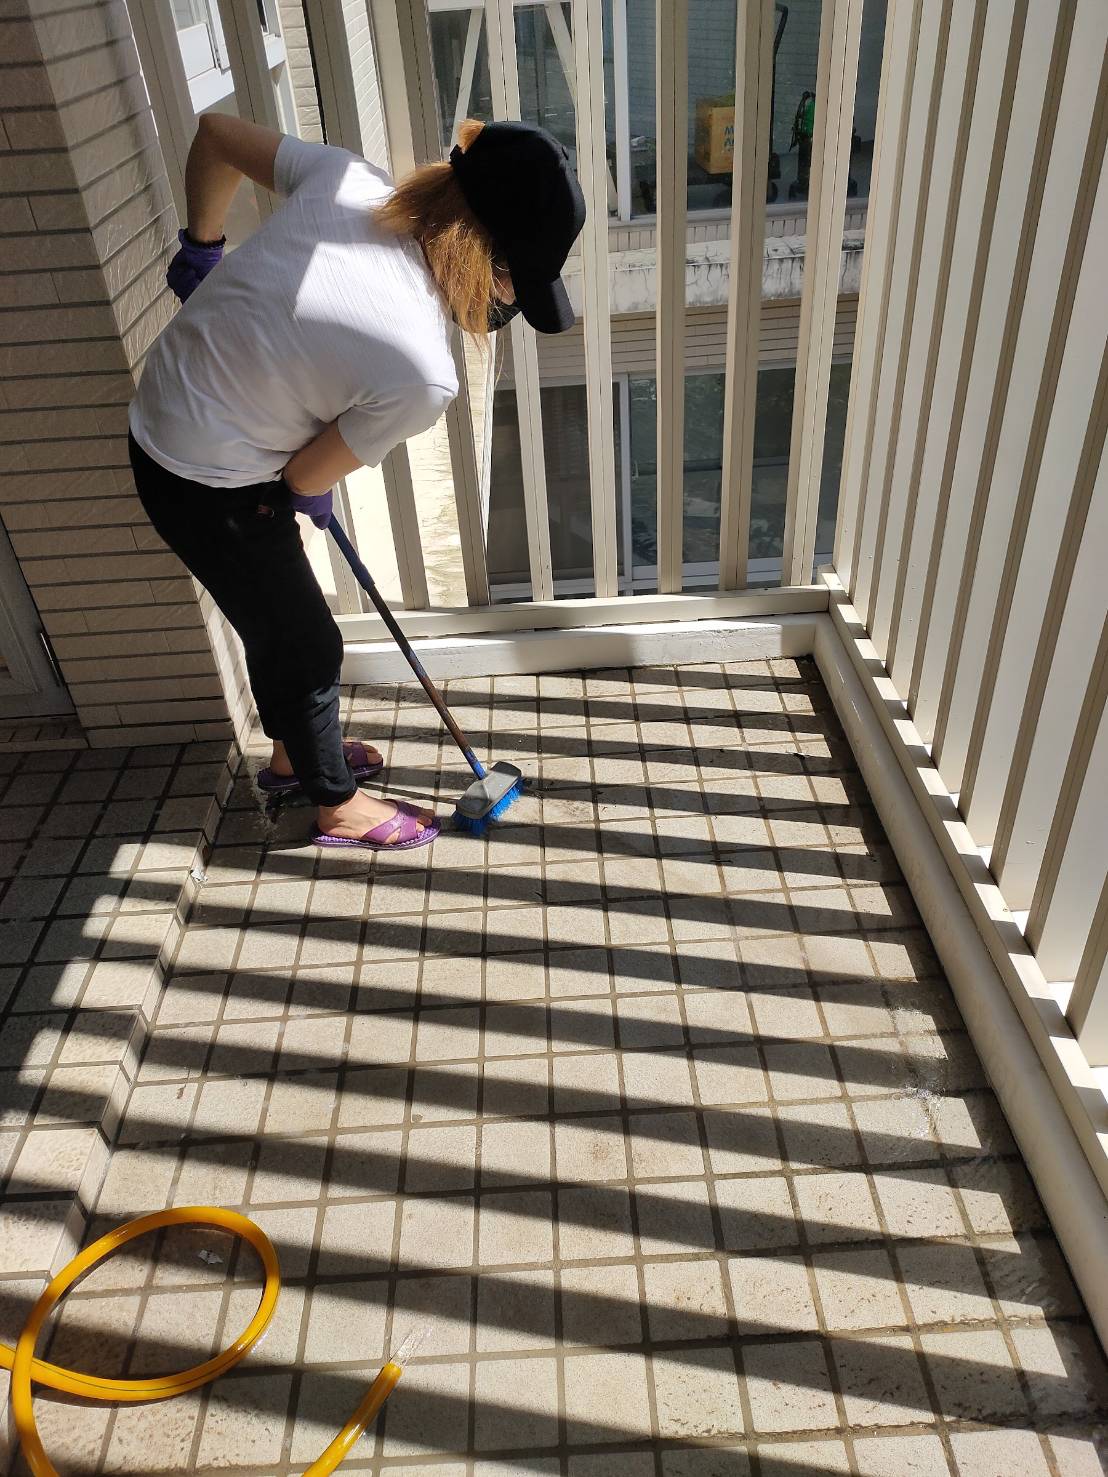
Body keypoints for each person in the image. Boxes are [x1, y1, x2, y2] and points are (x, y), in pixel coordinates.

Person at [128, 114, 585, 851]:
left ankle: (293, 757)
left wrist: (203, 244)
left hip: (166, 405)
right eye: (512, 280)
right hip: (204, 476)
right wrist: (309, 482)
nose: (504, 300)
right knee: (309, 644)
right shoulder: (421, 368)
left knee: (273, 619)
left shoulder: (347, 180)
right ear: (484, 255)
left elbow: (214, 134)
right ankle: (336, 805)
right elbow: (303, 474)